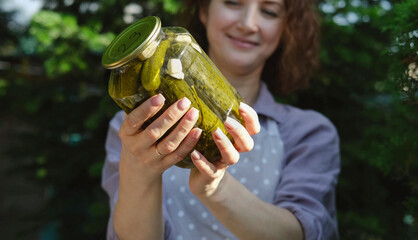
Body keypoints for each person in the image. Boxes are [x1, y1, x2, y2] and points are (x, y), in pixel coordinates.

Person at [102, 0, 340, 239]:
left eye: (269, 11)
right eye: (233, 2)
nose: (248, 24)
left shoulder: (310, 132)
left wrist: (217, 187)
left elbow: (301, 234)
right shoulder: (135, 129)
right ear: (204, 11)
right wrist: (137, 172)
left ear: (285, 28)